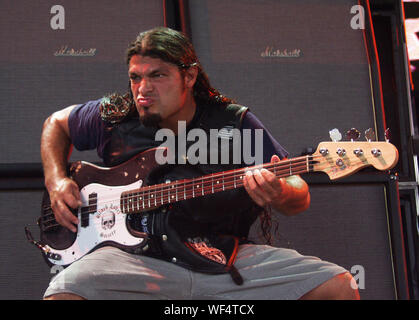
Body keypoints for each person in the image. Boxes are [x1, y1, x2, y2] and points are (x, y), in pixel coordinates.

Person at [40, 27, 360, 300]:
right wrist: (56, 180)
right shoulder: (116, 114)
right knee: (66, 289)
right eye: (135, 78)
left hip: (219, 256)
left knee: (340, 286)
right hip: (133, 260)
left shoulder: (233, 123)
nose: (143, 89)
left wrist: (279, 194)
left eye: (157, 76)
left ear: (189, 75)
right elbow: (56, 124)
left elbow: (298, 192)